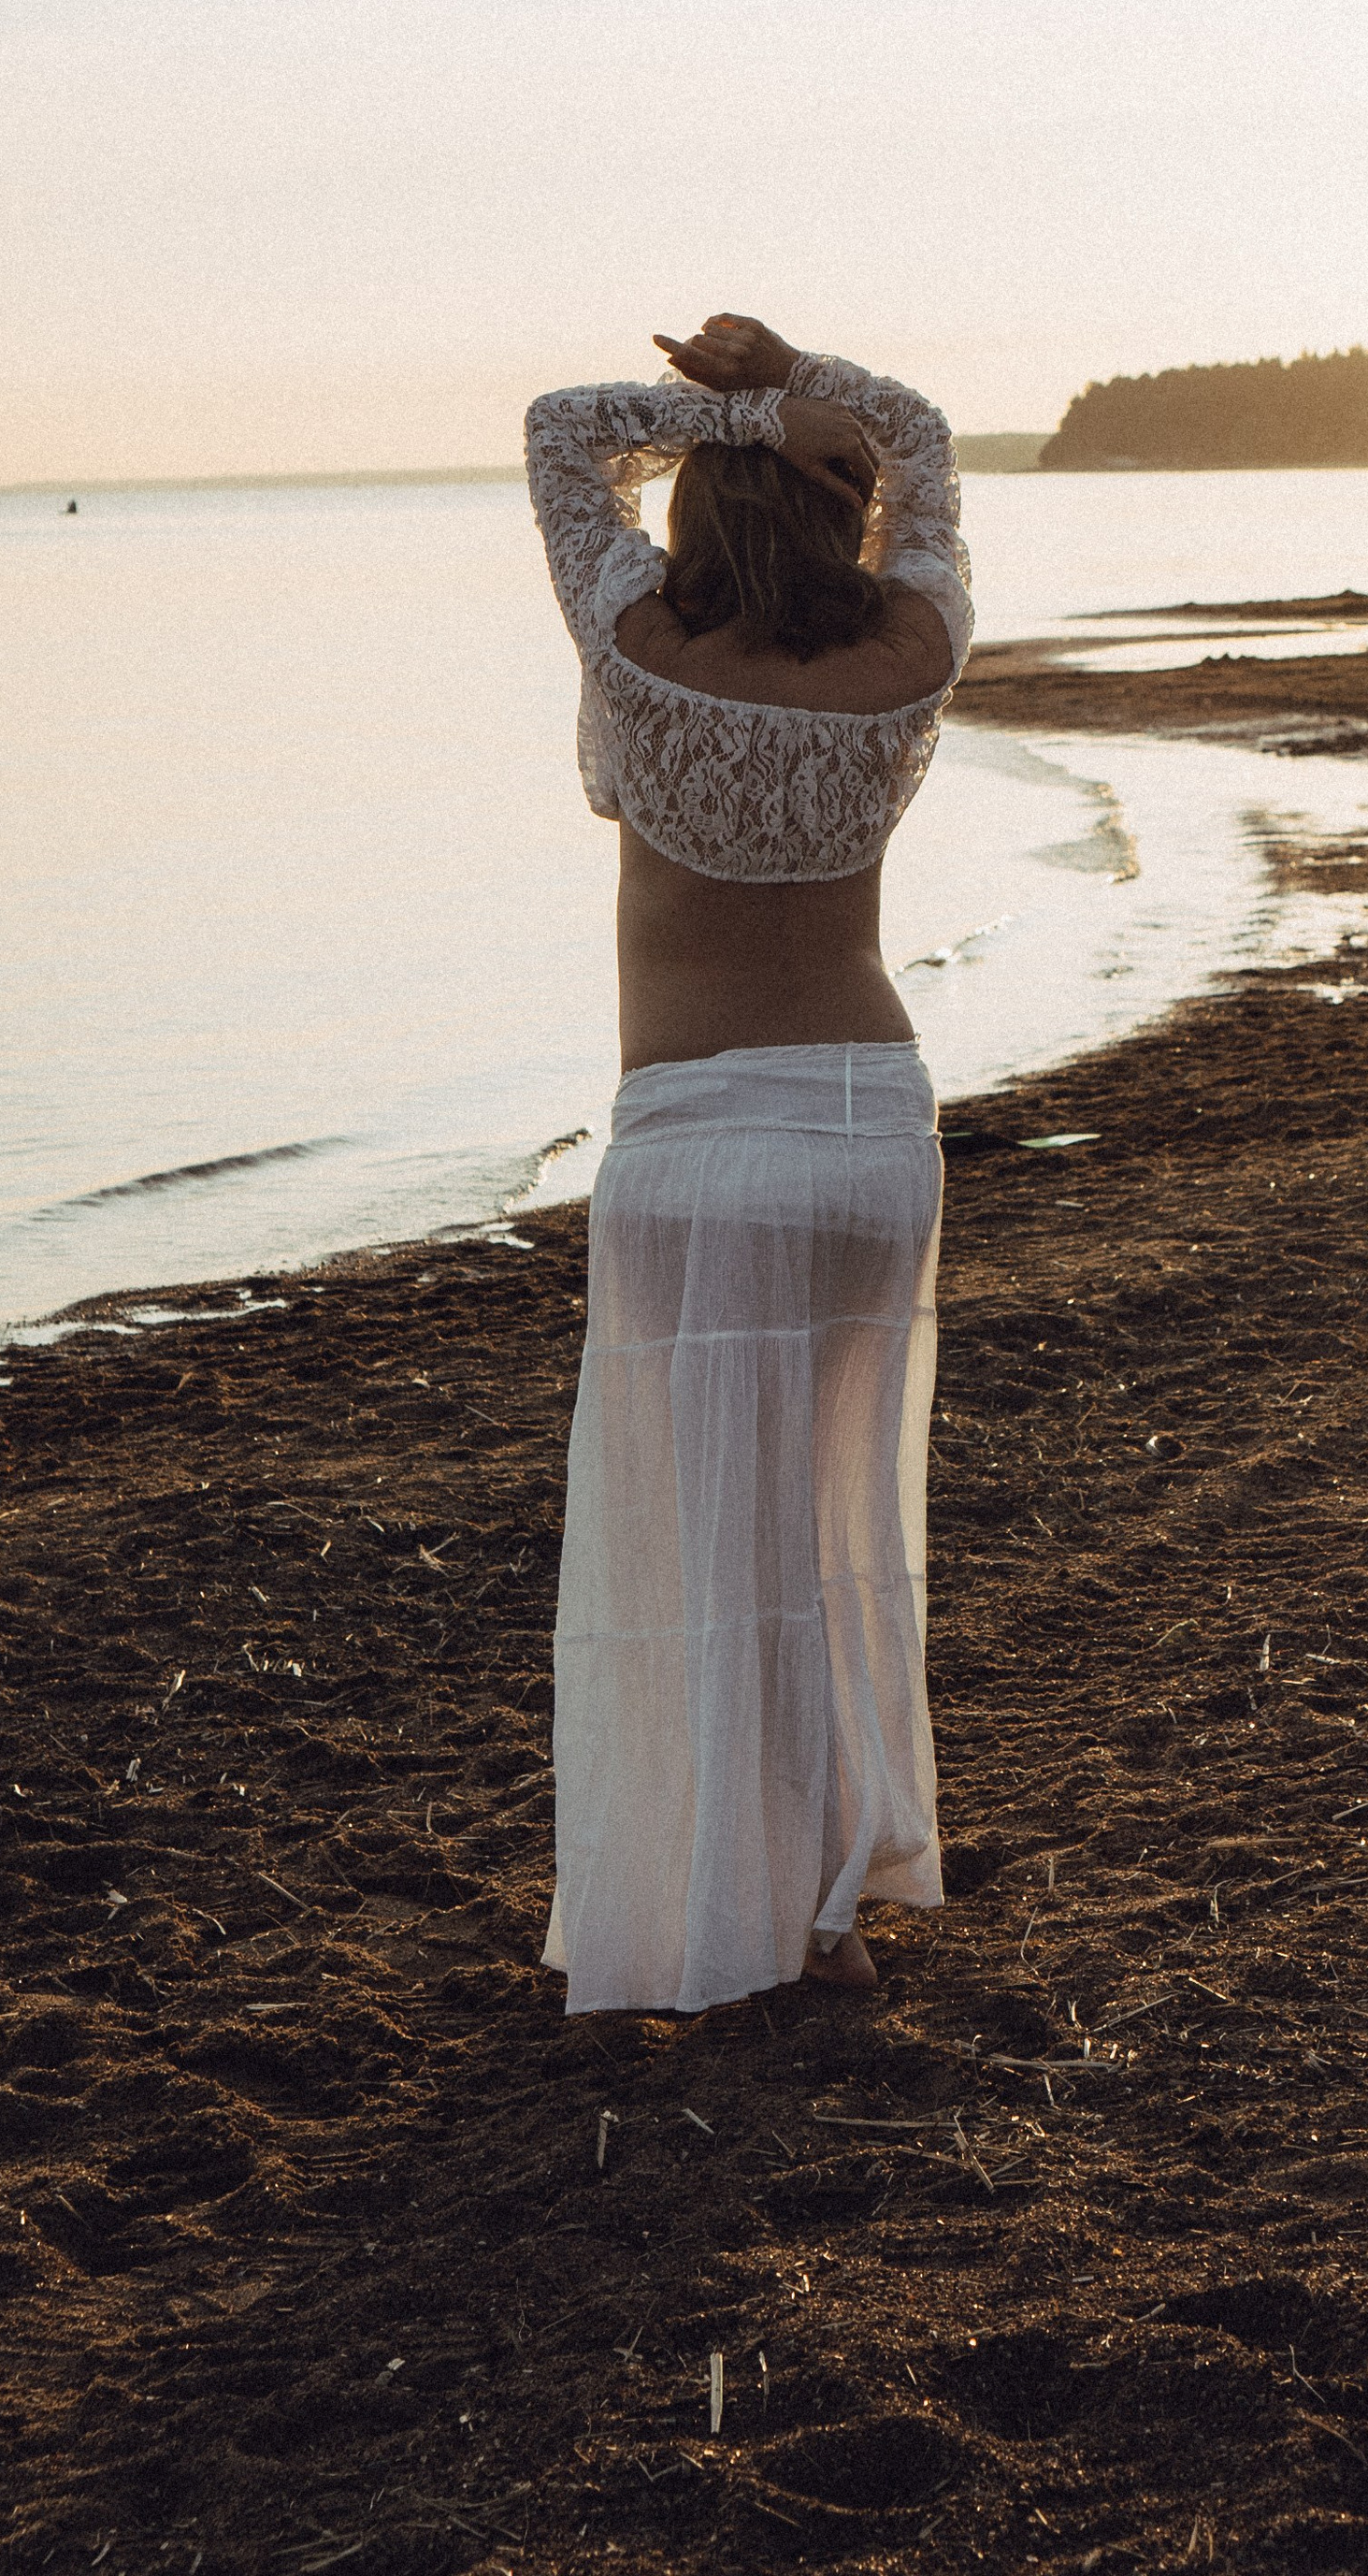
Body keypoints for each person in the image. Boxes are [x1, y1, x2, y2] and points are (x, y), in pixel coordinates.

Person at [524, 313, 972, 2014]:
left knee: (717, 1565)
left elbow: (563, 430)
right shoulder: (907, 657)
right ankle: (828, 1904)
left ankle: (749, 1910)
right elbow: (922, 440)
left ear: (695, 512)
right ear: (843, 522)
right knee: (833, 1540)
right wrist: (803, 387)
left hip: (698, 1147)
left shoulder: (638, 648)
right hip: (864, 1132)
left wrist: (738, 413)